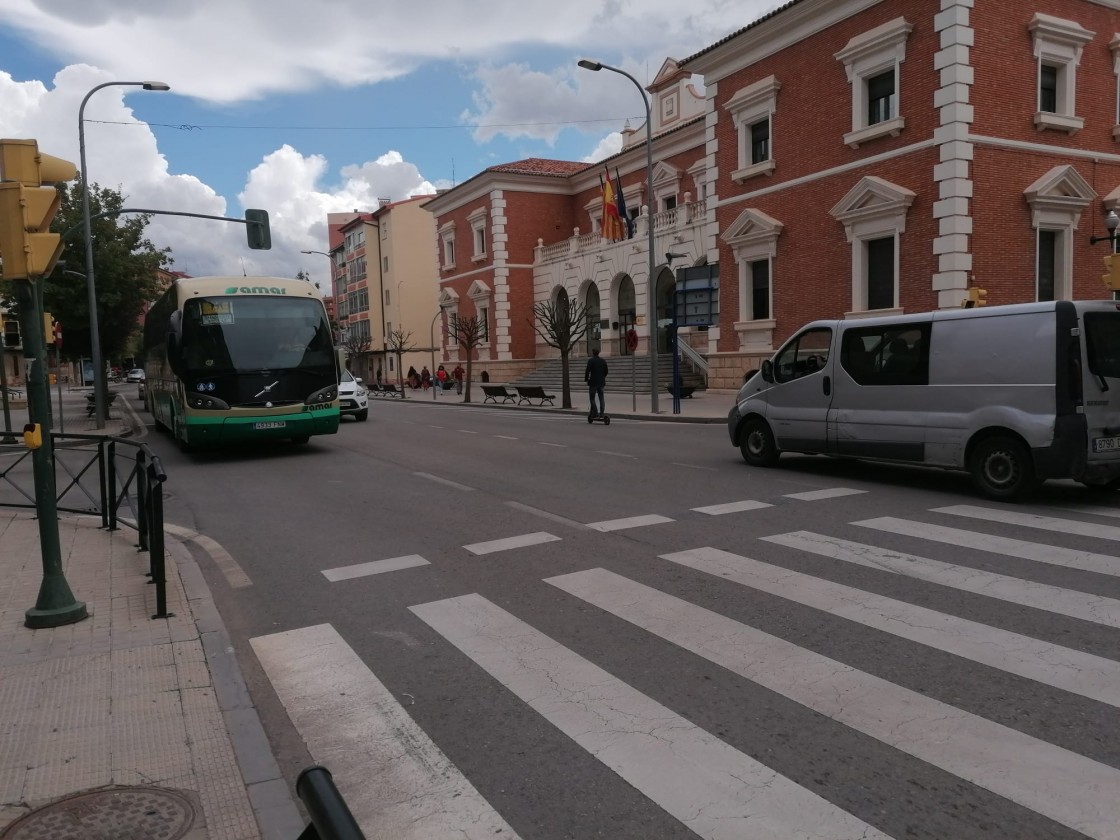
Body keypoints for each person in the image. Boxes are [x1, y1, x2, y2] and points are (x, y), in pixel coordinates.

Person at [584, 347, 608, 417]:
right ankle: (602, 413)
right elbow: (606, 371)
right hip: (601, 382)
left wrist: (586, 379)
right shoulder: (603, 361)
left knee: (592, 398)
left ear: (593, 353)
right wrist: (602, 377)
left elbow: (587, 371)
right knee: (601, 398)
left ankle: (595, 411)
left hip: (593, 382)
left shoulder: (591, 361)